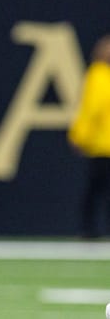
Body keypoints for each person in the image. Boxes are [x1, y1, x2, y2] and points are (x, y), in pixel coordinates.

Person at [68, 34, 110, 239]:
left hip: (105, 144)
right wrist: (80, 135)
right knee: (96, 189)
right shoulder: (98, 75)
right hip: (101, 146)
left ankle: (90, 229)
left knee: (98, 190)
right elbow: (91, 109)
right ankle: (88, 229)